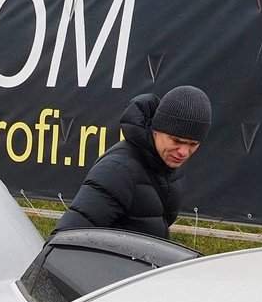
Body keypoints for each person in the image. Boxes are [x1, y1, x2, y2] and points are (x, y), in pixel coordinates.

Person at [55, 85, 212, 239]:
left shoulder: (167, 165)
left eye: (193, 144)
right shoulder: (117, 172)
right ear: (156, 130)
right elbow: (65, 239)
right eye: (176, 140)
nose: (183, 152)